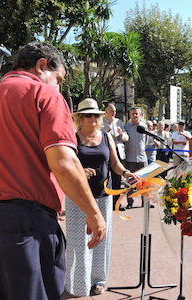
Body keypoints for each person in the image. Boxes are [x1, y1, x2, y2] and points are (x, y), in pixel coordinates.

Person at [0, 41, 106, 300]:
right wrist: (94, 213)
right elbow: (63, 162)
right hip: (28, 223)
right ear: (41, 65)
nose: (58, 86)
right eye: (58, 79)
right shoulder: (44, 95)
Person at [65, 99, 139, 297]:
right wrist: (79, 170)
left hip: (103, 196)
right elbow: (64, 165)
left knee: (101, 239)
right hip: (77, 198)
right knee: (78, 242)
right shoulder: (72, 138)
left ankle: (98, 280)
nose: (92, 118)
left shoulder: (106, 136)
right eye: (87, 115)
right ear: (80, 118)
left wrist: (125, 174)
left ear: (100, 117)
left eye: (95, 115)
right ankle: (78, 284)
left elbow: (114, 163)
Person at [101, 103, 128, 211]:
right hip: (106, 151)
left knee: (117, 179)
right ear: (105, 112)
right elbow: (101, 133)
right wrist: (109, 124)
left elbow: (126, 137)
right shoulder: (101, 121)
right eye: (111, 111)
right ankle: (105, 203)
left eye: (115, 111)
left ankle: (117, 203)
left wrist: (121, 134)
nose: (114, 113)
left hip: (118, 150)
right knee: (105, 178)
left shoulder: (119, 122)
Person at [124, 107, 148, 208]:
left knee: (144, 182)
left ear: (140, 115)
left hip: (142, 158)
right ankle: (130, 202)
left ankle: (145, 202)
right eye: (133, 113)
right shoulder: (126, 127)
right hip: (130, 158)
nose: (135, 115)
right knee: (130, 183)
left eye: (136, 114)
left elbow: (145, 141)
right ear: (130, 115)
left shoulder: (144, 127)